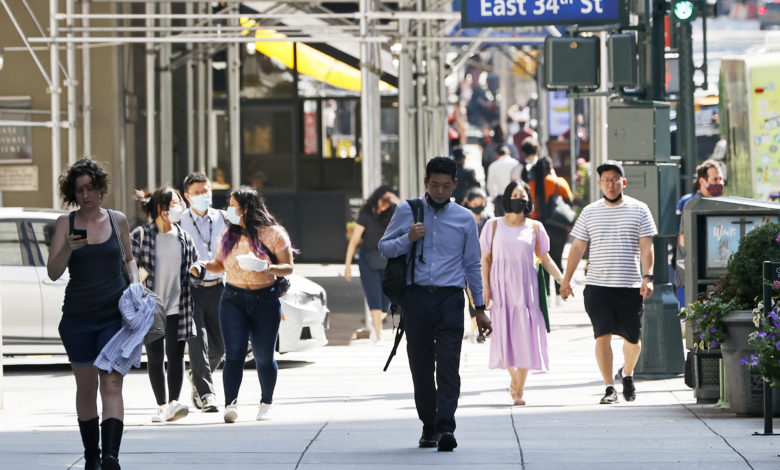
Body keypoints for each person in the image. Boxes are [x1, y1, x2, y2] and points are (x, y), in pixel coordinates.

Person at [379, 156, 492, 452]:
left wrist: (479, 308)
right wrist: (407, 237)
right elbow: (384, 247)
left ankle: (446, 427)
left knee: (449, 365)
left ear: (455, 184)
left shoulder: (466, 218)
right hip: (415, 298)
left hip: (450, 299)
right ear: (426, 183)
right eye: (434, 185)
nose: (440, 191)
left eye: (446, 186)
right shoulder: (408, 210)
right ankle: (428, 425)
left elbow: (472, 265)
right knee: (421, 365)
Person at [47, 158, 138, 470]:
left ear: (101, 188)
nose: (86, 195)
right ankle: (92, 457)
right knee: (86, 388)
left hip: (114, 318)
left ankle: (111, 457)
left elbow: (129, 259)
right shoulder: (65, 223)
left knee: (112, 384)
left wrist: (136, 285)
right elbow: (54, 272)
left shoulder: (118, 220)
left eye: (90, 188)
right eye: (79, 190)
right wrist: (69, 248)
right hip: (77, 319)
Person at [559, 160, 657, 405]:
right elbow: (578, 247)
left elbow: (647, 247)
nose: (611, 184)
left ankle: (627, 374)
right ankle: (609, 387)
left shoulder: (640, 209)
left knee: (632, 340)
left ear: (623, 182)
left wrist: (648, 277)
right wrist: (566, 279)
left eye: (615, 179)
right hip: (598, 286)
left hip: (629, 286)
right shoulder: (590, 212)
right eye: (606, 180)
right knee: (601, 336)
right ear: (599, 184)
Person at [194, 186, 294, 423]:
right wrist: (202, 265)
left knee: (263, 355)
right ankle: (231, 404)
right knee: (234, 354)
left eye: (232, 205)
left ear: (247, 207)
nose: (228, 209)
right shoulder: (228, 234)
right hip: (233, 299)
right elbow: (220, 265)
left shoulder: (274, 233)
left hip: (265, 299)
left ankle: (266, 402)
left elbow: (288, 267)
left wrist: (266, 267)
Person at [480, 181, 565, 406]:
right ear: (507, 198)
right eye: (516, 195)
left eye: (524, 196)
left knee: (527, 337)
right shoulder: (493, 225)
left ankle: (519, 388)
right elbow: (485, 259)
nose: (520, 199)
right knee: (503, 336)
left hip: (527, 290)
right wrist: (485, 287)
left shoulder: (536, 228)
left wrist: (561, 279)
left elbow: (545, 258)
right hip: (501, 288)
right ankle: (515, 380)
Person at [132, 187, 198, 423]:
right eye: (173, 203)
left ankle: (173, 403)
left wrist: (197, 271)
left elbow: (195, 265)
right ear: (160, 208)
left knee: (177, 356)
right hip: (151, 308)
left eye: (179, 202)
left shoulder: (184, 237)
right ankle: (161, 406)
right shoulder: (142, 235)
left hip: (178, 306)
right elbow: (128, 268)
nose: (178, 207)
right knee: (156, 357)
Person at [179, 172, 227, 413]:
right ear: (187, 196)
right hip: (192, 290)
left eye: (206, 191)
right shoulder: (180, 221)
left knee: (221, 345)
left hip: (219, 288)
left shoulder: (224, 219)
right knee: (198, 344)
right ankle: (207, 395)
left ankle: (195, 376)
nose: (203, 196)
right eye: (198, 193)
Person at [343, 185, 400, 345]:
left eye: (389, 202)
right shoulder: (366, 214)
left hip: (387, 260)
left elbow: (409, 215)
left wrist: (396, 200)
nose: (385, 204)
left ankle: (377, 320)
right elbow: (354, 241)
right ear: (377, 197)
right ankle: (378, 335)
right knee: (374, 297)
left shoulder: (393, 214)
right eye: (383, 200)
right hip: (368, 260)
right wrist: (347, 266)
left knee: (386, 302)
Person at [674, 160, 724, 306]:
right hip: (690, 279)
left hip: (713, 278)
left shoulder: (719, 204)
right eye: (715, 179)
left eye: (721, 179)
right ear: (703, 180)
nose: (719, 183)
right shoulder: (691, 205)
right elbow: (683, 238)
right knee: (690, 323)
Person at [528, 156, 574, 304]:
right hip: (558, 227)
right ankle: (560, 296)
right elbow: (569, 203)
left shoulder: (531, 185)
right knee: (557, 259)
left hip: (537, 226)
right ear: (550, 168)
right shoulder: (559, 183)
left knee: (543, 260)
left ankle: (546, 296)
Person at [461, 187, 489, 342]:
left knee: (482, 295)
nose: (478, 205)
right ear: (468, 202)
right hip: (466, 264)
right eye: (475, 202)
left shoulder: (488, 220)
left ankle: (480, 327)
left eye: (481, 202)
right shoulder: (463, 219)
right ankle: (474, 328)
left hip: (484, 264)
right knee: (471, 295)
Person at [486, 146, 520, 217]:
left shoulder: (493, 166)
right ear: (508, 153)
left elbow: (490, 184)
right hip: (514, 196)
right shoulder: (516, 163)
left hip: (500, 197)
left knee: (500, 223)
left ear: (497, 155)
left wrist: (493, 197)